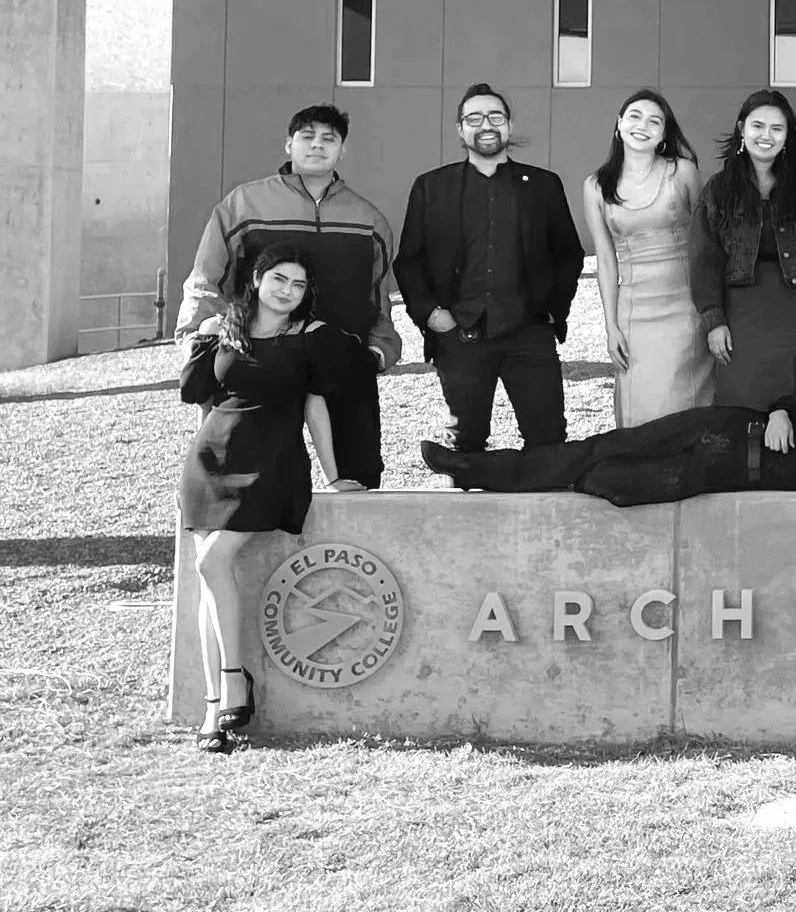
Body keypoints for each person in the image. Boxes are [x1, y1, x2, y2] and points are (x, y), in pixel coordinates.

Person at [420, 319, 796, 500]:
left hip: (721, 472)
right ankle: (475, 468)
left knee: (612, 484)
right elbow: (789, 401)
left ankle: (537, 477)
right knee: (598, 448)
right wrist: (784, 414)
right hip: (720, 427)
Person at [178, 244, 362, 753]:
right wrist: (203, 337)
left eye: (299, 285)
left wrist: (333, 475)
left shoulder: (310, 338)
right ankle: (215, 710)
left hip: (271, 465)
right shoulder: (222, 330)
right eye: (279, 279)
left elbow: (314, 406)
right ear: (258, 279)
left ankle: (235, 679)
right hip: (210, 462)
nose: (288, 291)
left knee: (214, 563)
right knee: (208, 575)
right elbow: (200, 397)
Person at [176, 104, 401, 488]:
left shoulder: (368, 218)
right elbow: (207, 277)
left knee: (357, 478)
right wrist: (197, 338)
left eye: (329, 138)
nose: (318, 145)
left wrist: (378, 351)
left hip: (342, 362)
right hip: (262, 360)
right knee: (250, 480)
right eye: (307, 137)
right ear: (288, 145)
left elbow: (377, 295)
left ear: (342, 150)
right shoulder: (243, 205)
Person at [396, 84, 584, 451]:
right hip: (460, 334)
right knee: (463, 443)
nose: (486, 125)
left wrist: (551, 311)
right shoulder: (432, 187)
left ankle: (539, 506)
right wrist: (431, 315)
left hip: (529, 333)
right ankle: (464, 506)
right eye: (474, 117)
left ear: (509, 126)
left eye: (495, 116)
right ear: (459, 128)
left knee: (548, 438)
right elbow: (409, 260)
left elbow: (568, 254)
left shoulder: (543, 185)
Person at [693, 90, 796, 411]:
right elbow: (704, 261)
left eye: (777, 128)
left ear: (787, 136)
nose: (767, 135)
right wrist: (713, 321)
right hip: (740, 317)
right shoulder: (719, 189)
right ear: (741, 129)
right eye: (758, 126)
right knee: (739, 405)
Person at [581, 90, 713, 426]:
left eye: (655, 120)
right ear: (619, 124)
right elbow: (606, 262)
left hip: (686, 306)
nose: (643, 125)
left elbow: (708, 241)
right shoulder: (596, 186)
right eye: (635, 116)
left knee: (684, 398)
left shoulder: (682, 172)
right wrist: (611, 326)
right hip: (635, 311)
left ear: (664, 133)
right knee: (640, 401)